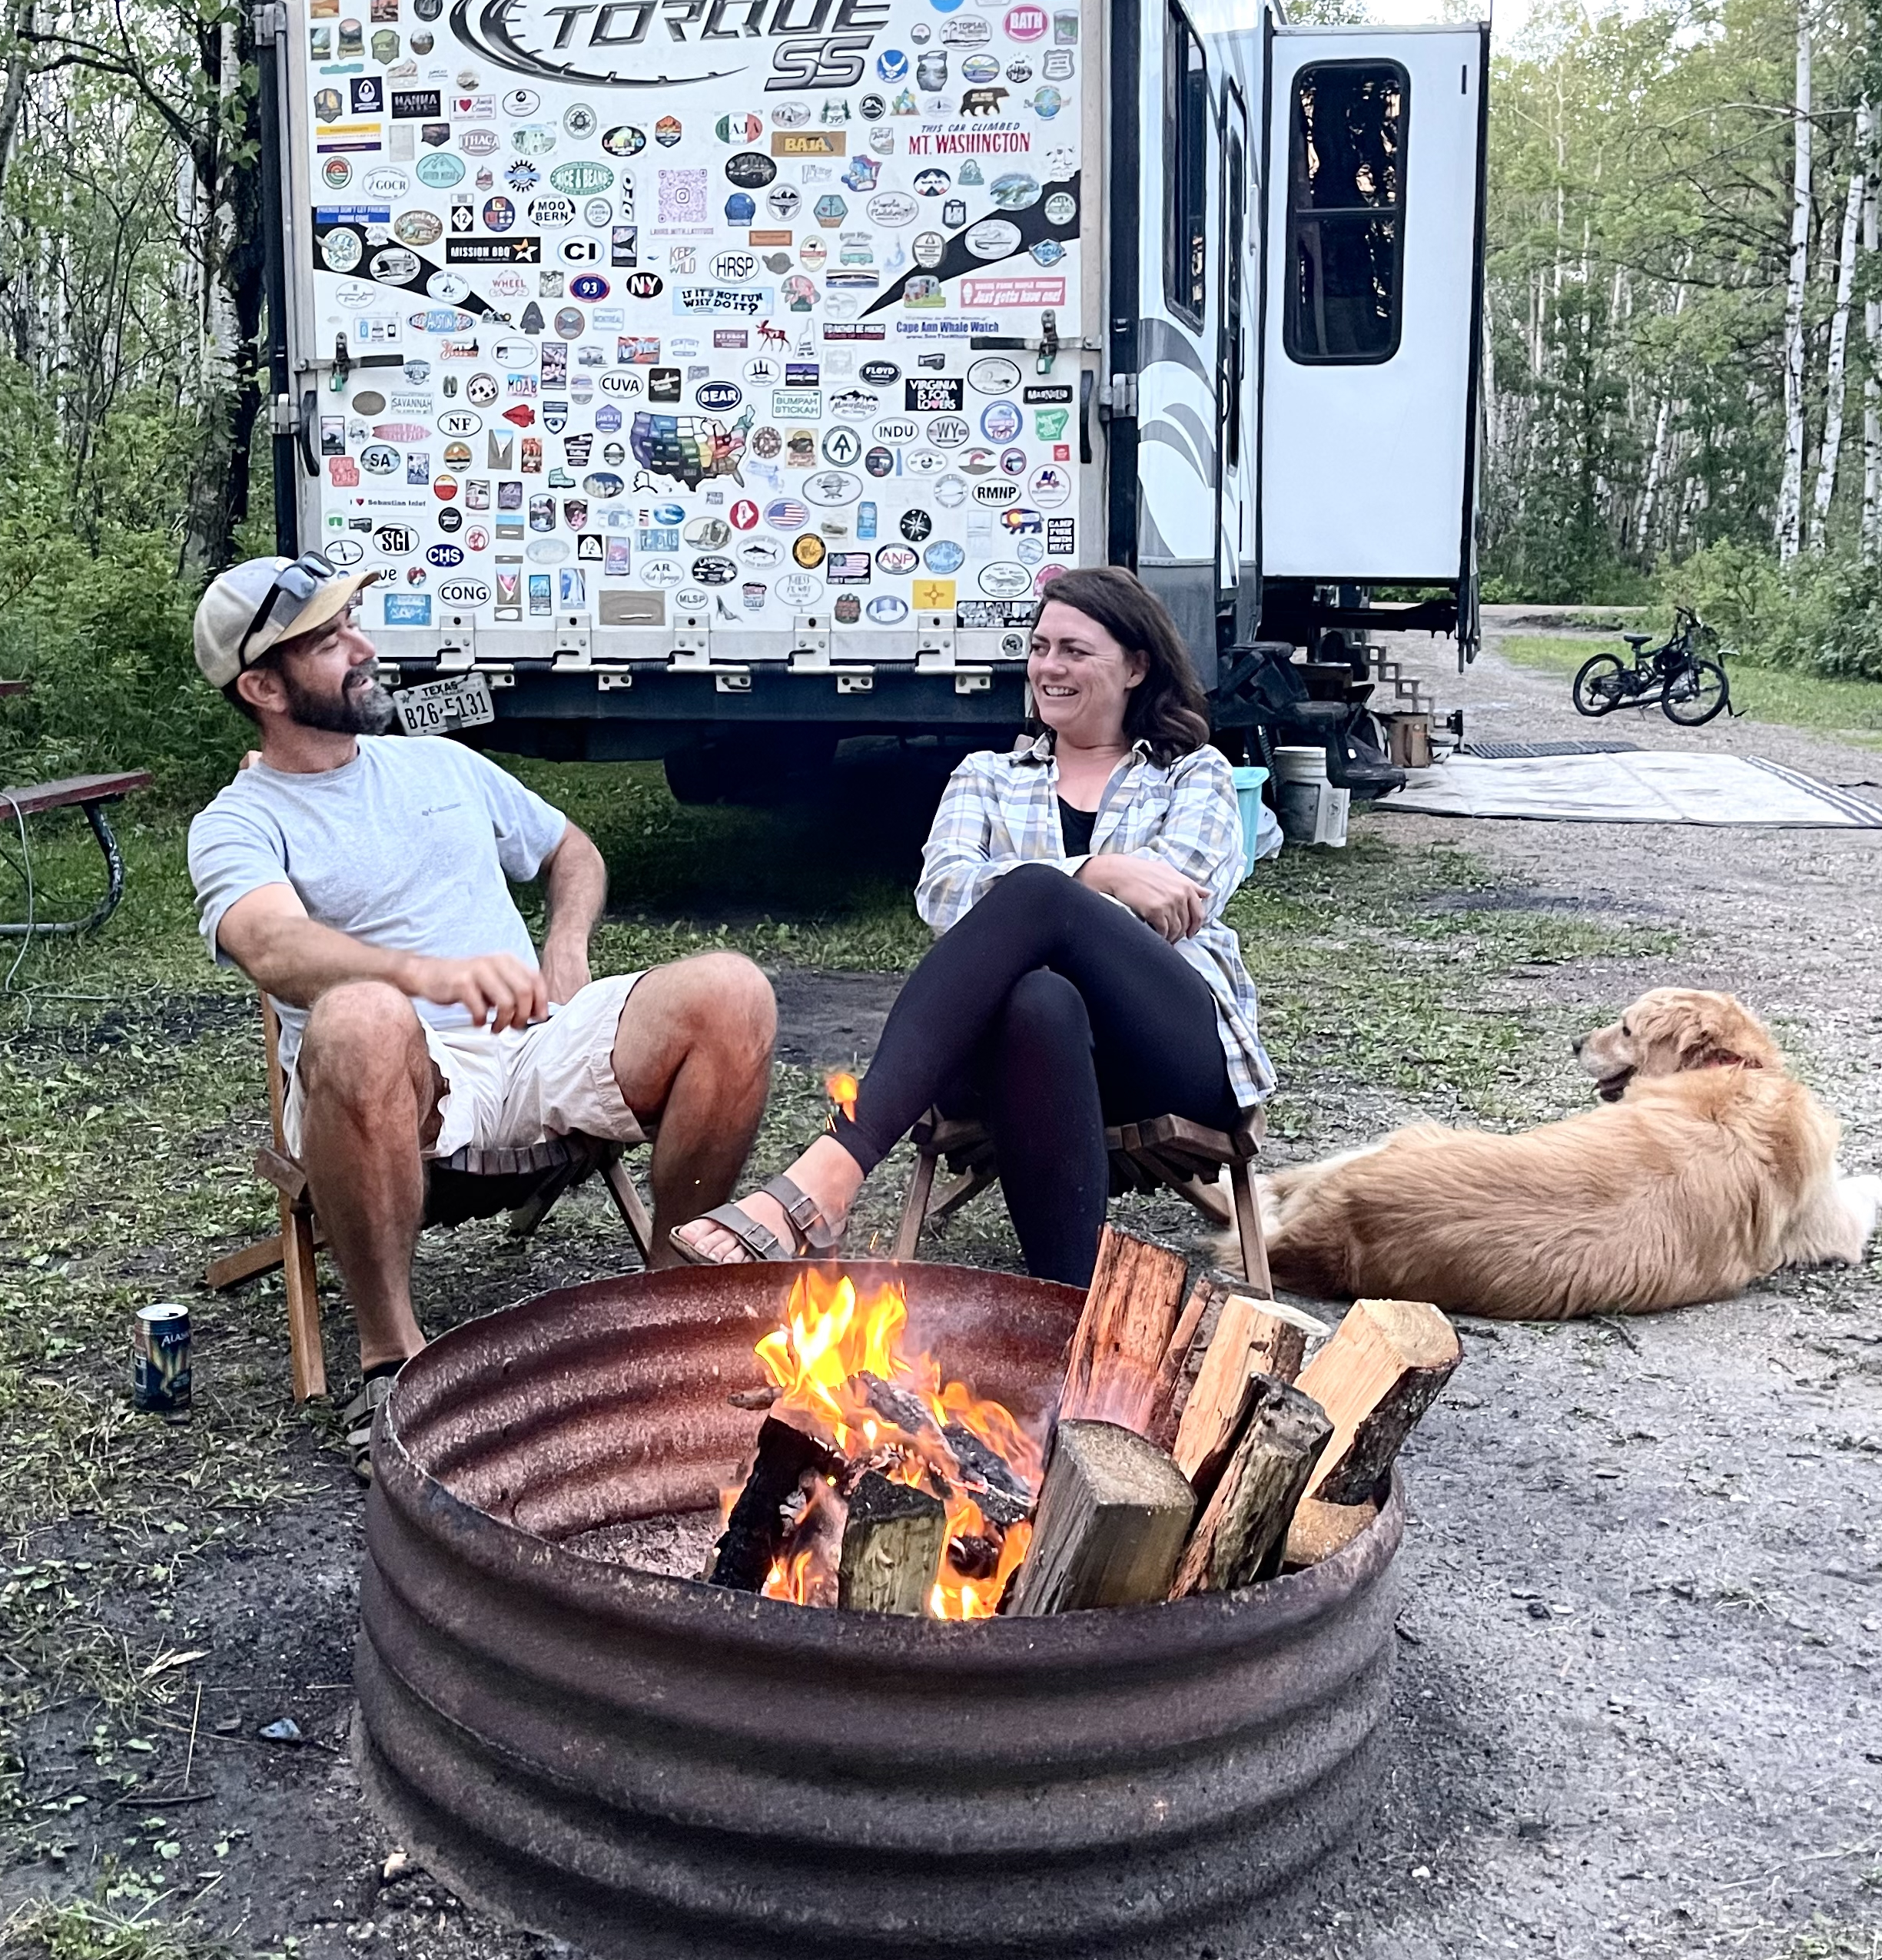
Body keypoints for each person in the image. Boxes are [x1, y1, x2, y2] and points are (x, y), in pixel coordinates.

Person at [186, 555, 776, 1458]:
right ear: (262, 685)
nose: (364, 647)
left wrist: (565, 950)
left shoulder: (438, 764)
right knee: (358, 1016)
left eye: (354, 625)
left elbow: (569, 850)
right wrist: (424, 976)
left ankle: (670, 1302)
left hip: (535, 1043)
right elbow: (272, 946)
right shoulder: (238, 820)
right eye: (330, 640)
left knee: (732, 990)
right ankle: (390, 1358)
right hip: (400, 1081)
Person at [675, 566, 1275, 1285]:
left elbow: (1171, 909)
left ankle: (832, 1169)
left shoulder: (1193, 774)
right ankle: (1068, 1304)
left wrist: (1065, 890)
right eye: (1040, 646)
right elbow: (946, 895)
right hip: (1009, 1059)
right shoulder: (986, 775)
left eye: (1076, 651)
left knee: (1035, 896)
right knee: (1038, 998)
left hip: (1160, 1050)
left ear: (1137, 666)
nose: (1049, 667)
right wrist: (1101, 872)